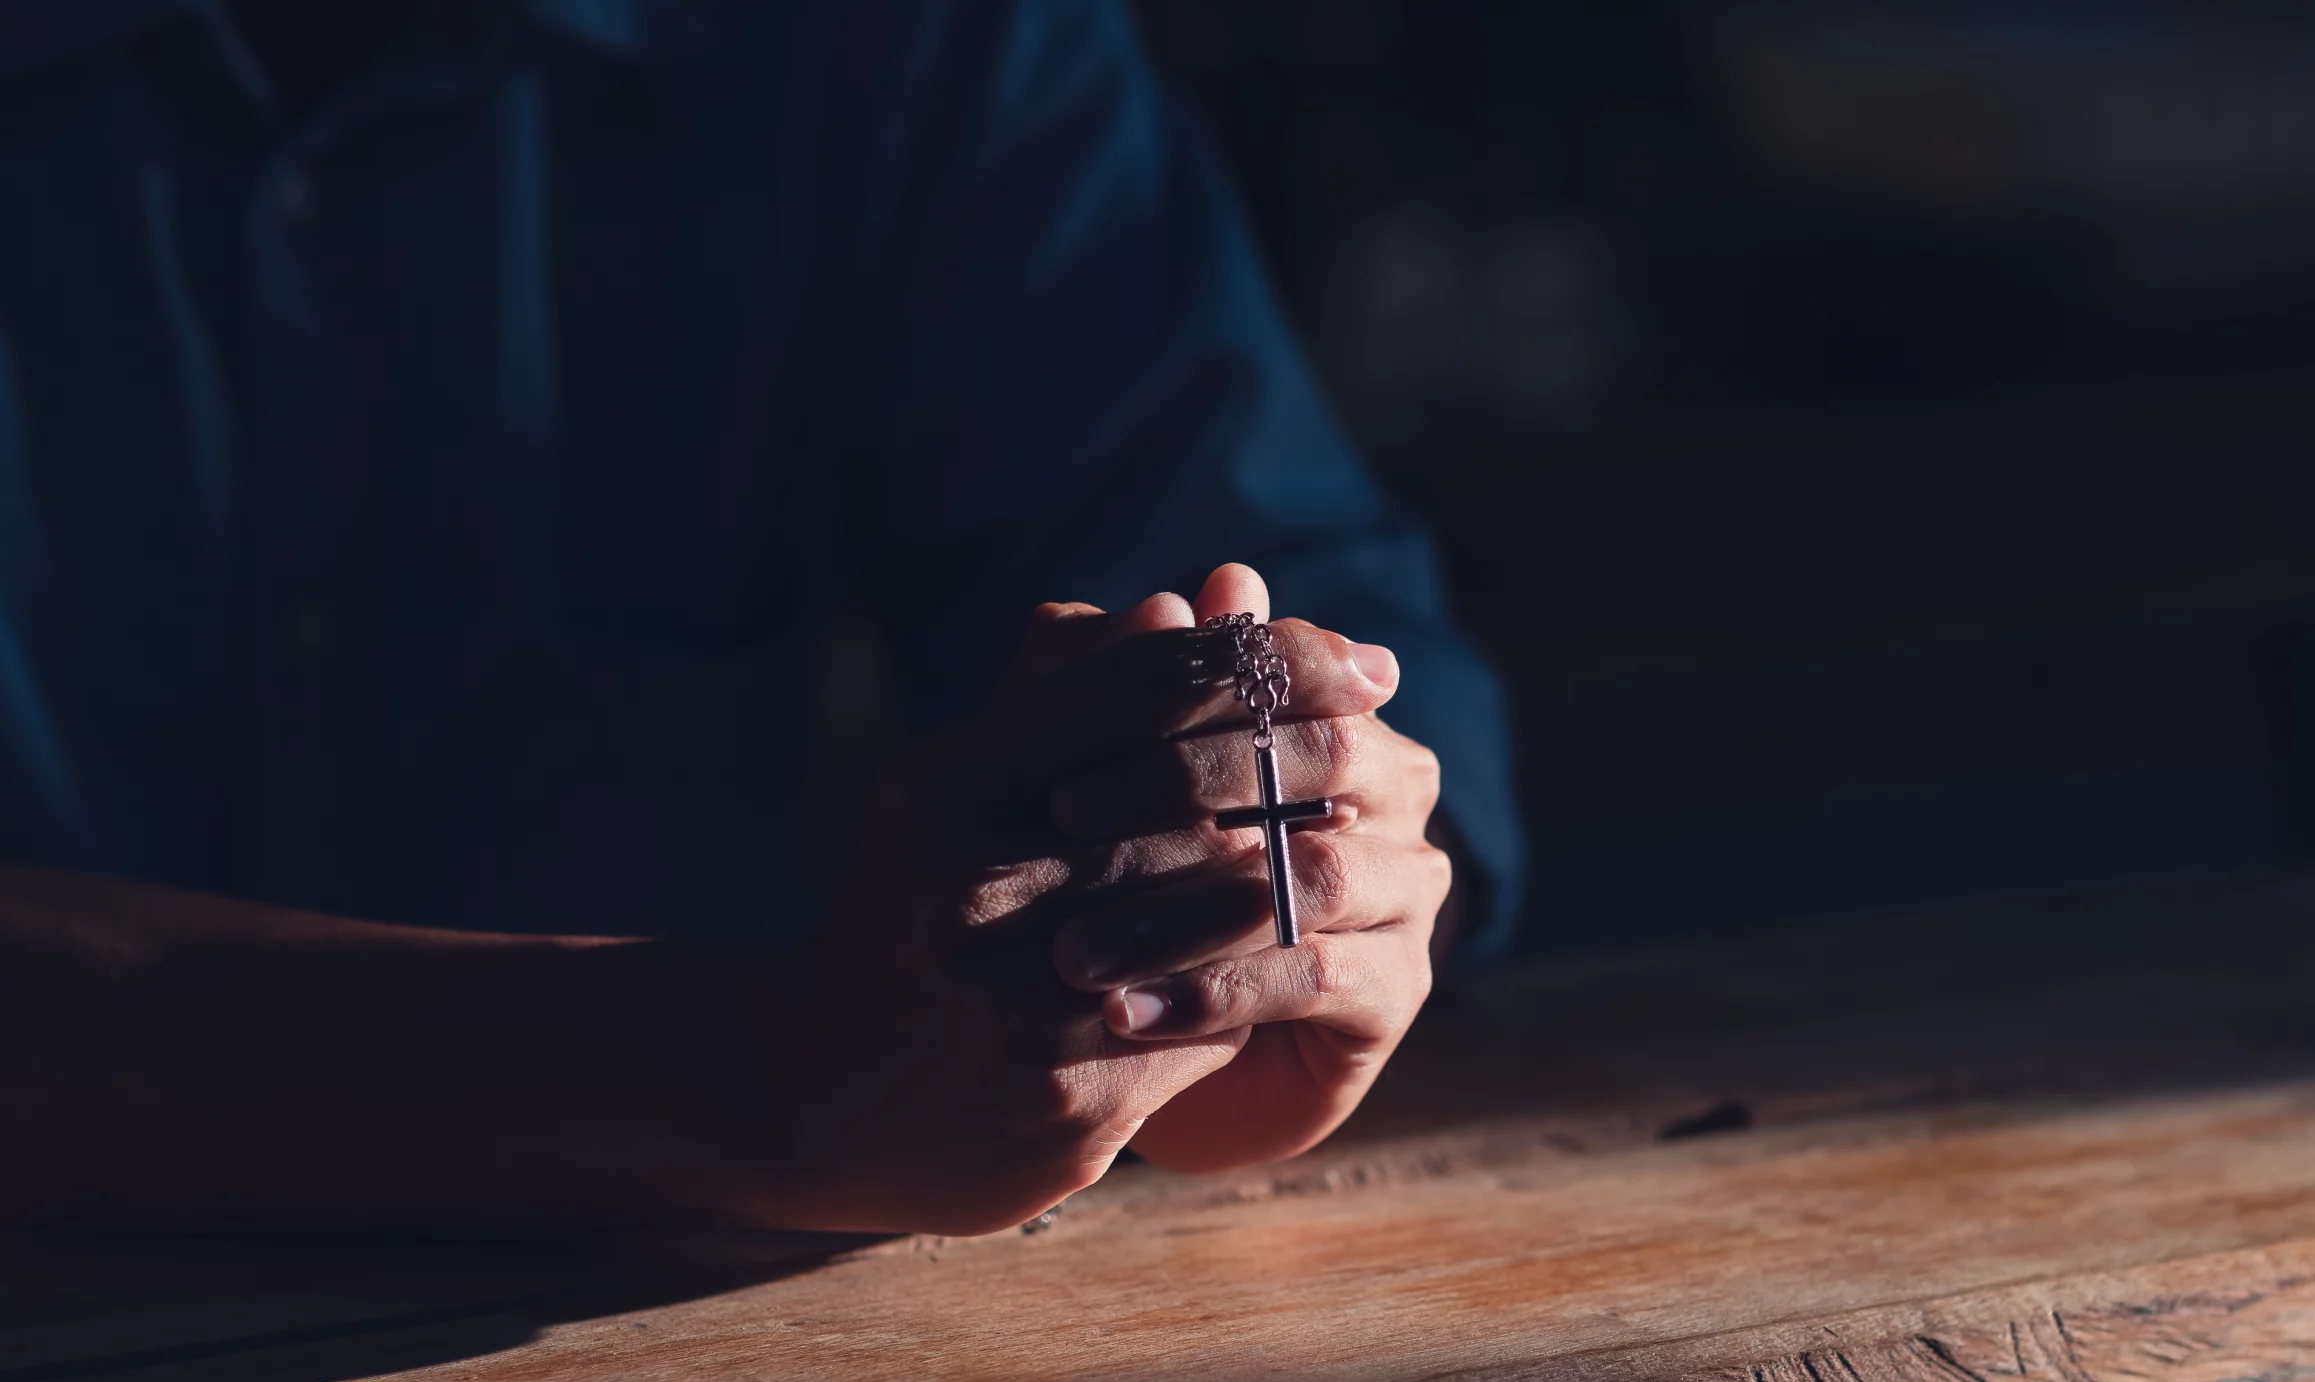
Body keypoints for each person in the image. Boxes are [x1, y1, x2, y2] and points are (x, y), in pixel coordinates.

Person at [0, 1, 1521, 1233]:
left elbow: (1297, 610)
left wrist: (1290, 897)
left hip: (673, 1329)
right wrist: (763, 1080)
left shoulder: (907, 45)